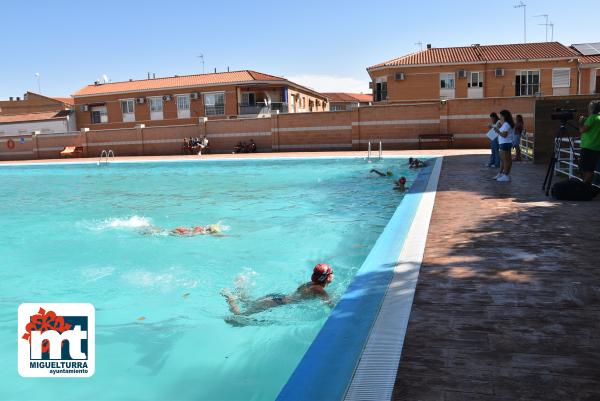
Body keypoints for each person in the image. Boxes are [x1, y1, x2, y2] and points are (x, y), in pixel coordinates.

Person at [221, 263, 334, 316]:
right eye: (331, 273)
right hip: (277, 302)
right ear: (327, 277)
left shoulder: (310, 284)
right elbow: (330, 304)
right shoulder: (319, 289)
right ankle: (230, 298)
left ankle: (240, 287)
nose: (333, 275)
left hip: (277, 297)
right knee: (241, 316)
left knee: (248, 303)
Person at [578, 100, 600, 184]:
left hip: (588, 147)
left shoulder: (592, 117)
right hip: (596, 147)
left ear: (593, 108)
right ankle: (588, 185)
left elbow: (582, 130)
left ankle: (586, 186)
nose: (588, 109)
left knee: (587, 169)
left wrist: (580, 122)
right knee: (590, 168)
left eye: (589, 107)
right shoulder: (598, 118)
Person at [493, 109, 515, 182]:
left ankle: (506, 175)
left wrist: (498, 131)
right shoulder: (505, 124)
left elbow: (504, 135)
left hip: (505, 143)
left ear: (504, 116)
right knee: (504, 160)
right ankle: (503, 173)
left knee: (506, 160)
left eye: (501, 116)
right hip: (504, 143)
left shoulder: (506, 124)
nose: (500, 117)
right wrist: (499, 128)